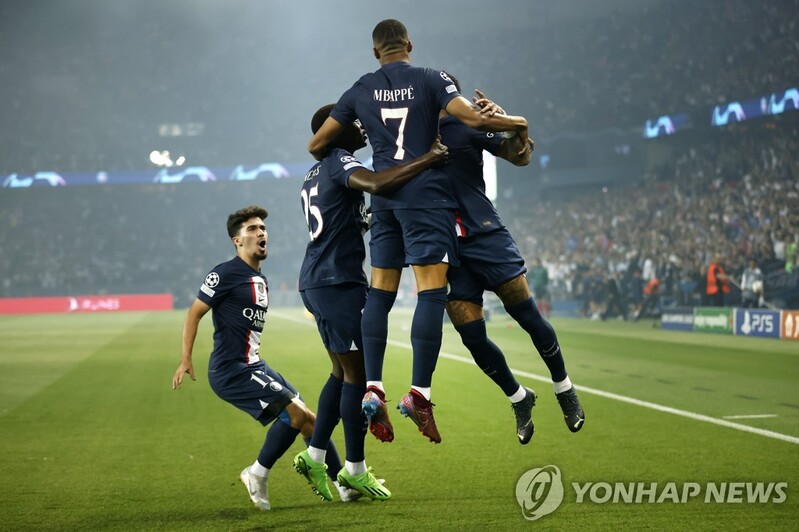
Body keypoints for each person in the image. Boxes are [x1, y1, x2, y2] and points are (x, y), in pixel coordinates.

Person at [308, 18, 531, 444]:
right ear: (409, 44)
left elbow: (317, 145)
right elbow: (471, 118)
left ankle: (374, 387)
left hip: (385, 200)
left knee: (380, 294)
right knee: (431, 291)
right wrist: (516, 121)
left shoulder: (360, 88)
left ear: (377, 52)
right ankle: (419, 393)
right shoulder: (431, 79)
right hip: (426, 198)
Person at [293, 104, 447, 501]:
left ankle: (314, 456)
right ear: (336, 131)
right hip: (337, 282)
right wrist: (428, 158)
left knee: (339, 372)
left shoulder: (313, 172)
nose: (362, 129)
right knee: (359, 377)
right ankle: (354, 472)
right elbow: (377, 184)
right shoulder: (337, 160)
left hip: (321, 280)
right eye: (354, 125)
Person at [171, 205, 346, 511]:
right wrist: (185, 358)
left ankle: (344, 485)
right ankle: (256, 473)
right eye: (252, 229)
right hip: (230, 370)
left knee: (310, 421)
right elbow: (194, 313)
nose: (261, 233)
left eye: (263, 228)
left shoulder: (259, 279)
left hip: (253, 364)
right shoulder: (224, 273)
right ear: (236, 241)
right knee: (294, 415)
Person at [438, 77, 584, 439]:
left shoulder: (467, 123)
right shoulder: (410, 138)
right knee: (471, 338)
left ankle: (564, 387)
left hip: (485, 234)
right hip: (448, 249)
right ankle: (519, 397)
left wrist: (507, 122)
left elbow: (521, 157)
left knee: (526, 316)